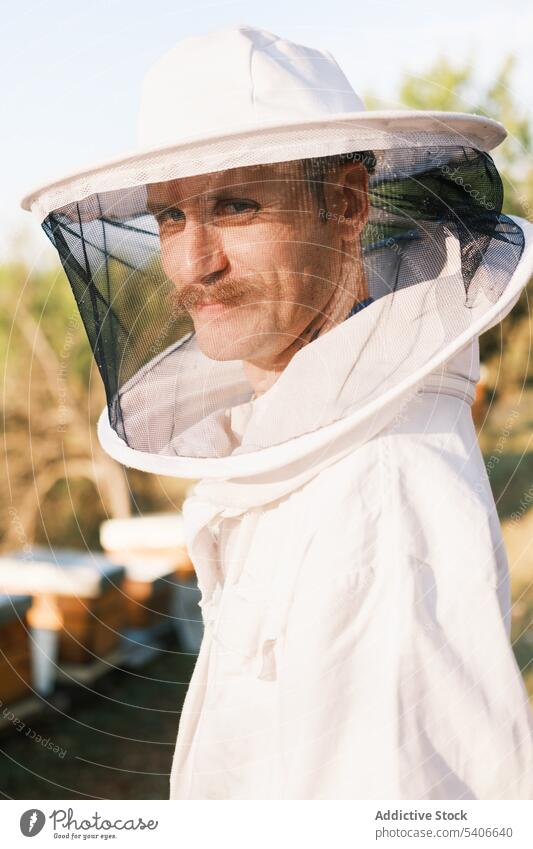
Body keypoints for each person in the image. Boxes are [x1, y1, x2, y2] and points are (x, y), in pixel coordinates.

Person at [21, 25, 533, 800]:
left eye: (235, 205)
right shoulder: (311, 444)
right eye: (169, 217)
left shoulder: (375, 496)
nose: (194, 264)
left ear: (347, 204)